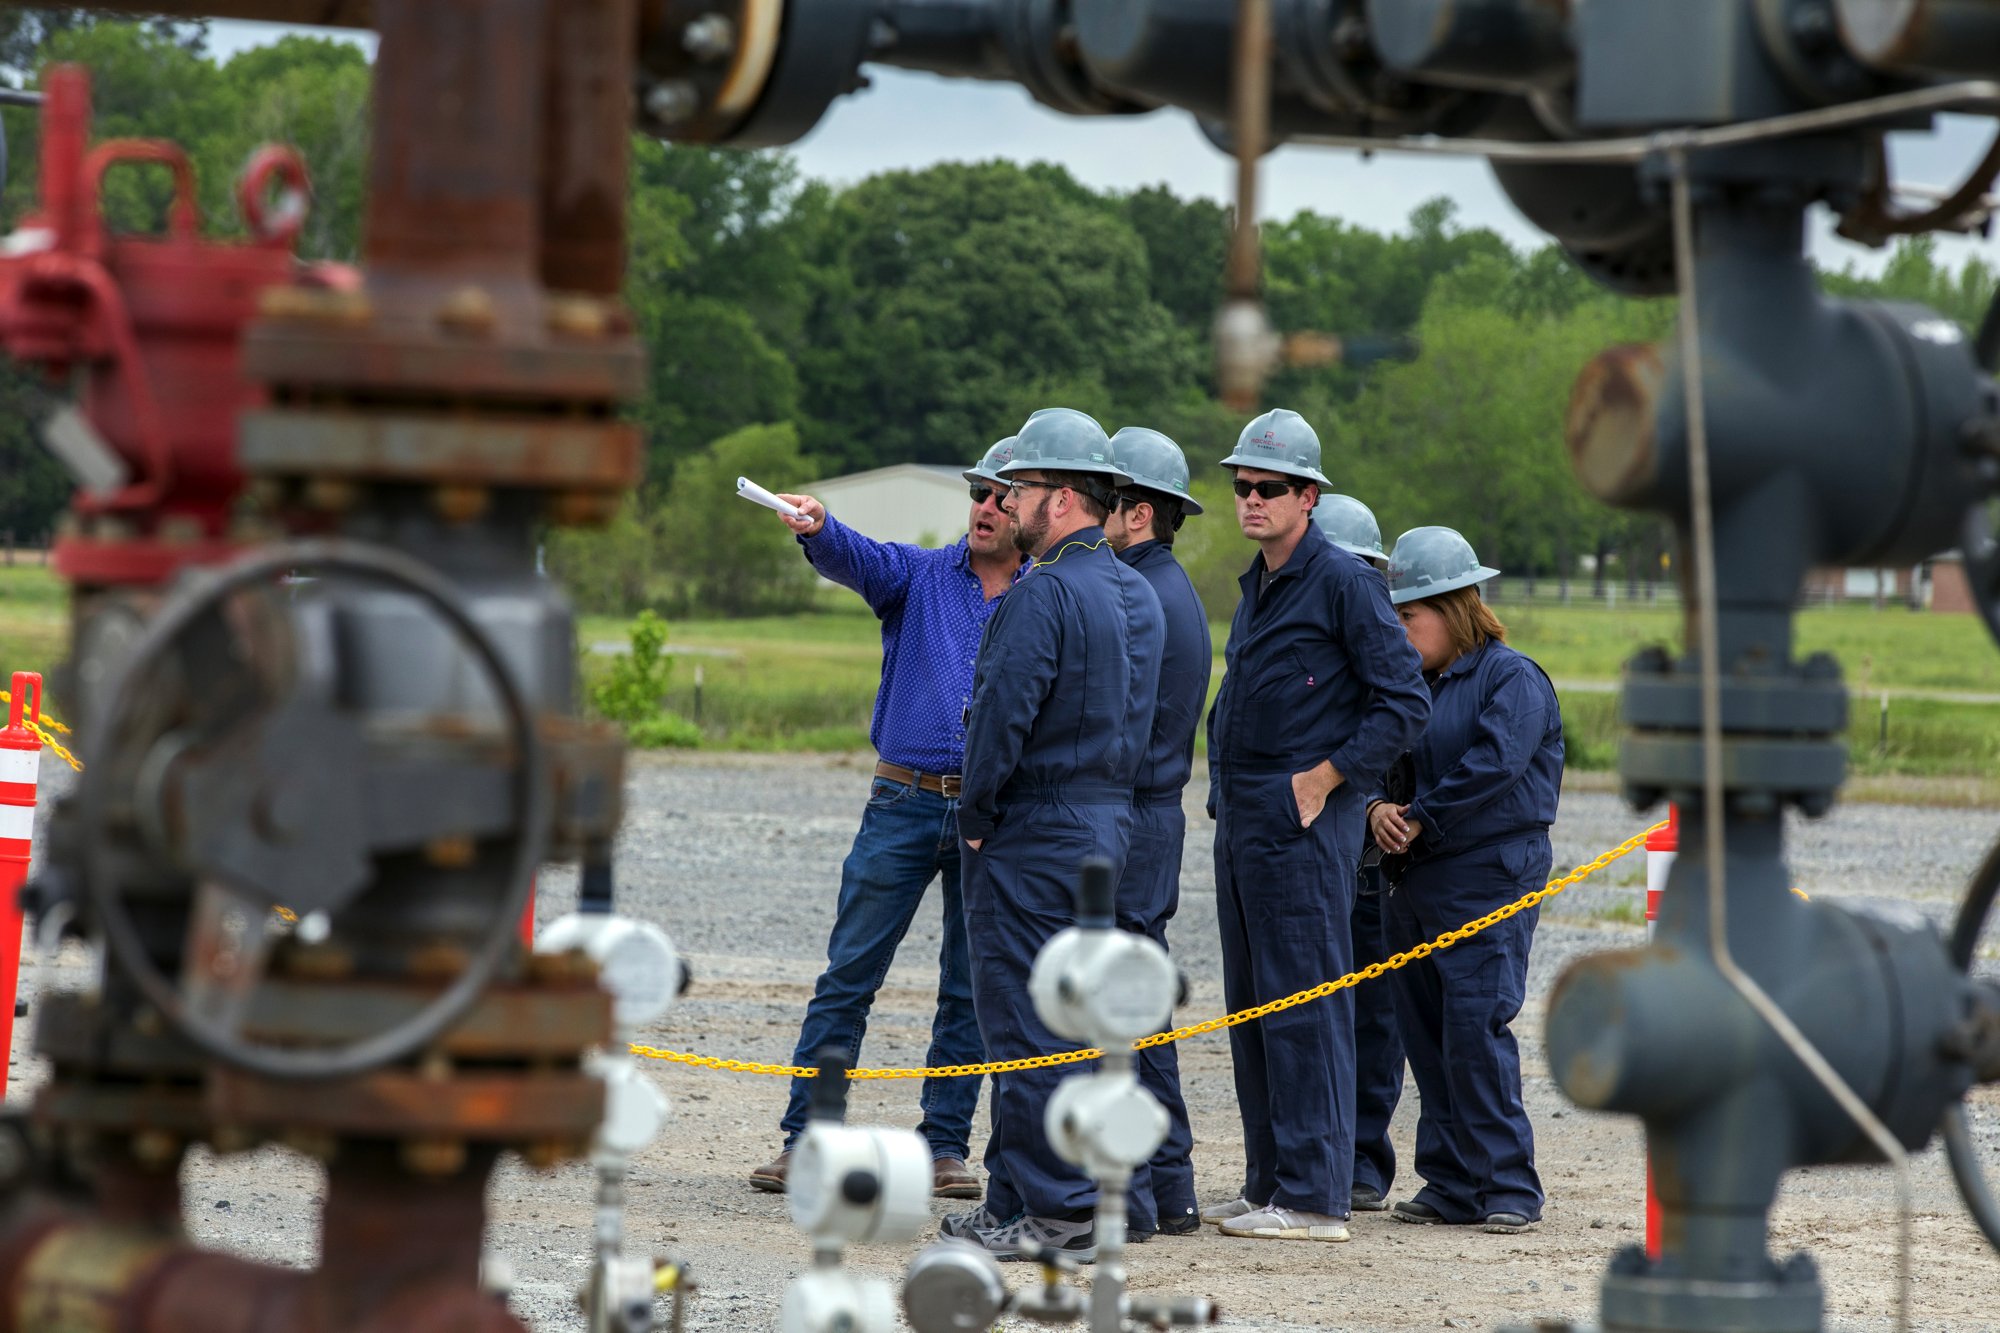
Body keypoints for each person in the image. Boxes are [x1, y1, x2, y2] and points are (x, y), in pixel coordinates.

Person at [746, 436, 1025, 1199]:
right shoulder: (921, 574)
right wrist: (819, 526)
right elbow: (857, 556)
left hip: (991, 812)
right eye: (977, 493)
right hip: (901, 798)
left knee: (969, 987)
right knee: (849, 974)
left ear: (1030, 507)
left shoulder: (1044, 594)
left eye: (1002, 496)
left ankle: (944, 1146)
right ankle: (807, 1137)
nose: (985, 508)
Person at [1201, 410, 1430, 1245]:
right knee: (1254, 1005)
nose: (1250, 499)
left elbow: (1405, 700)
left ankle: (1315, 1196)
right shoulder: (1257, 583)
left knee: (1305, 1003)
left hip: (1304, 820)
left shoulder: (1345, 582)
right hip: (1248, 816)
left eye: (1268, 488)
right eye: (1241, 486)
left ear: (1308, 496)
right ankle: (1272, 1182)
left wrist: (1329, 776)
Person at [944, 407, 1165, 1262]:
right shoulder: (1134, 589)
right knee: (1073, 1015)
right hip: (1108, 818)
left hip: (1036, 827)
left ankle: (1062, 1212)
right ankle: (1017, 1196)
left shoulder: (1043, 593)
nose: (1007, 500)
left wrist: (975, 819)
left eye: (1021, 487)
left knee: (1030, 1024)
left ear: (1061, 497)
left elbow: (1000, 718)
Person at [1367, 526, 1562, 1235]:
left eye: (1408, 616)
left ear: (1454, 608)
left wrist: (1419, 815)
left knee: (1476, 1026)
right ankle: (1449, 1180)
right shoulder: (1411, 684)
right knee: (1425, 1031)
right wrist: (1376, 808)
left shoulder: (1512, 678)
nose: (1398, 629)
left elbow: (1495, 764)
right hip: (1415, 878)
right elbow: (1378, 759)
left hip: (1488, 875)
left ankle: (1508, 1182)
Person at [1100, 425, 1210, 1239]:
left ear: (1136, 513)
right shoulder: (1169, 588)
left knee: (1121, 1007)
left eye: (1104, 498)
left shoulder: (1140, 599)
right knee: (1143, 1003)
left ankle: (1137, 1188)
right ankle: (1169, 1185)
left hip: (1132, 813)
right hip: (1155, 812)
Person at [1312, 494, 1405, 1215]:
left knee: (1375, 1019)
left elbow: (1402, 731)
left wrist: (1377, 804)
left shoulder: (1382, 637)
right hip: (1318, 853)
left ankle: (1363, 1161)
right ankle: (1316, 1154)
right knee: (1314, 1011)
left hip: (1374, 863)